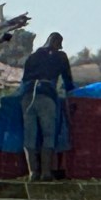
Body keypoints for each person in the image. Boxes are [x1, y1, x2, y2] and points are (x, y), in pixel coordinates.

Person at [20, 32, 74, 181]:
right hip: (46, 97)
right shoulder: (60, 57)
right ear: (58, 44)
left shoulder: (33, 56)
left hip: (27, 97)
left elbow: (24, 79)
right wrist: (71, 92)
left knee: (29, 136)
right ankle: (45, 173)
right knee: (48, 135)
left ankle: (32, 173)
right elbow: (68, 81)